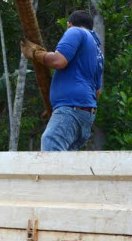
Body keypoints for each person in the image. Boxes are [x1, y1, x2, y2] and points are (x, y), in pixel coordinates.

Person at [21, 10, 104, 151]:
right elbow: (97, 92)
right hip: (86, 114)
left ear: (69, 25)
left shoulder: (76, 31)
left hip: (72, 108)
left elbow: (59, 61)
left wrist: (35, 53)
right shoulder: (97, 50)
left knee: (50, 143)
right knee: (64, 165)